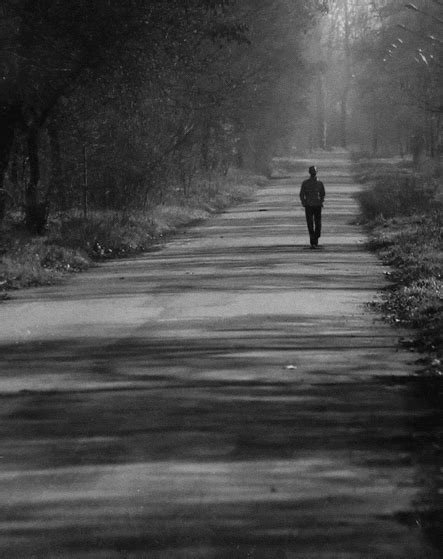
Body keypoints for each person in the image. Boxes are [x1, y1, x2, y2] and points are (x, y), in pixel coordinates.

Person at [299, 165, 325, 249]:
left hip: (317, 205)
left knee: (318, 224)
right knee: (310, 224)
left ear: (316, 172)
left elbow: (322, 193)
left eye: (314, 171)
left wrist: (321, 201)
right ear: (309, 172)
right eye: (312, 171)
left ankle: (316, 237)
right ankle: (312, 240)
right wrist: (304, 202)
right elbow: (302, 194)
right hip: (309, 205)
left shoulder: (320, 183)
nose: (313, 173)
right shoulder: (305, 183)